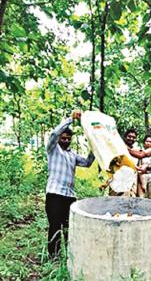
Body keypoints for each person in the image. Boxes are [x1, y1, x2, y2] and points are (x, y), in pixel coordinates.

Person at [45, 110, 95, 259]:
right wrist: (70, 119)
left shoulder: (72, 155)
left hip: (69, 196)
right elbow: (54, 134)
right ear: (59, 138)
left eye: (68, 139)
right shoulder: (53, 150)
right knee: (55, 225)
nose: (66, 141)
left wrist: (94, 145)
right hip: (55, 194)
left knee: (69, 227)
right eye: (63, 138)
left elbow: (87, 163)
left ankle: (68, 256)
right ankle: (54, 256)